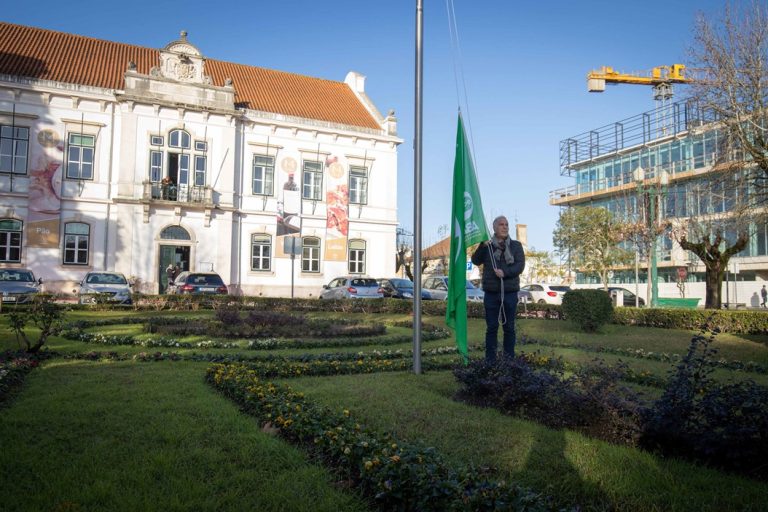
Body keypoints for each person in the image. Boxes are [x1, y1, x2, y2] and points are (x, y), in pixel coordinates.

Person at [471, 215, 525, 362]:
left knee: (509, 328)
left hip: (510, 293)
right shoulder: (488, 245)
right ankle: (490, 362)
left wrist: (505, 273)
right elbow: (475, 261)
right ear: (494, 228)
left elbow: (520, 266)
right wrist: (482, 246)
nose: (505, 227)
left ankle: (509, 361)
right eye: (501, 224)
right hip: (491, 293)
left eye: (506, 224)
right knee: (492, 328)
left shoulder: (516, 246)